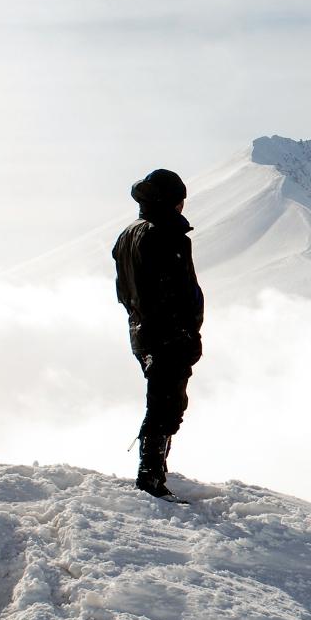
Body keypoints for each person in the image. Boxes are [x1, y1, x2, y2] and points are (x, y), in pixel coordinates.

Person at [112, 168, 204, 501]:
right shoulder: (165, 235)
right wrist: (186, 332)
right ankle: (150, 477)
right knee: (166, 406)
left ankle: (154, 472)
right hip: (167, 335)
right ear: (172, 201)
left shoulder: (128, 235)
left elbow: (125, 291)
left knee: (163, 402)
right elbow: (176, 290)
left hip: (143, 332)